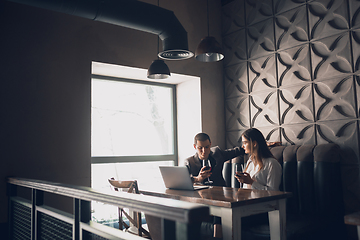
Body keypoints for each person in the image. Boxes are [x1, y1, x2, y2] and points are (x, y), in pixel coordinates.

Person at [184, 132, 245, 239]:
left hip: (220, 196)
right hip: (201, 200)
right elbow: (184, 180)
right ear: (194, 147)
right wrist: (198, 179)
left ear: (210, 144)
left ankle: (217, 236)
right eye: (200, 148)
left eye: (207, 147)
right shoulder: (190, 162)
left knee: (221, 207)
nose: (204, 151)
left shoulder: (217, 154)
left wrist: (261, 145)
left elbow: (237, 150)